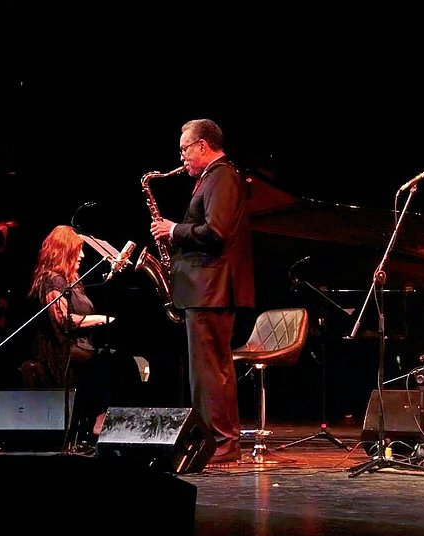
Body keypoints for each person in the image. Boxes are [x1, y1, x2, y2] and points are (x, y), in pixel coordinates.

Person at [150, 118, 255, 464]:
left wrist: (174, 230)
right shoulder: (213, 177)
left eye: (184, 150)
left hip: (212, 290)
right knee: (205, 371)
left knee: (211, 371)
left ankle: (223, 442)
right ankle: (212, 439)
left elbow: (217, 232)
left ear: (202, 145)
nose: (182, 158)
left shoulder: (222, 176)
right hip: (205, 290)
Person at [27, 224, 141, 452]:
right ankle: (100, 419)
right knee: (109, 362)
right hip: (61, 349)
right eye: (77, 250)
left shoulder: (73, 281)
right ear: (64, 251)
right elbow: (64, 320)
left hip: (80, 347)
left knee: (123, 362)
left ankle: (117, 419)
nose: (82, 255)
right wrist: (99, 319)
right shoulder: (51, 280)